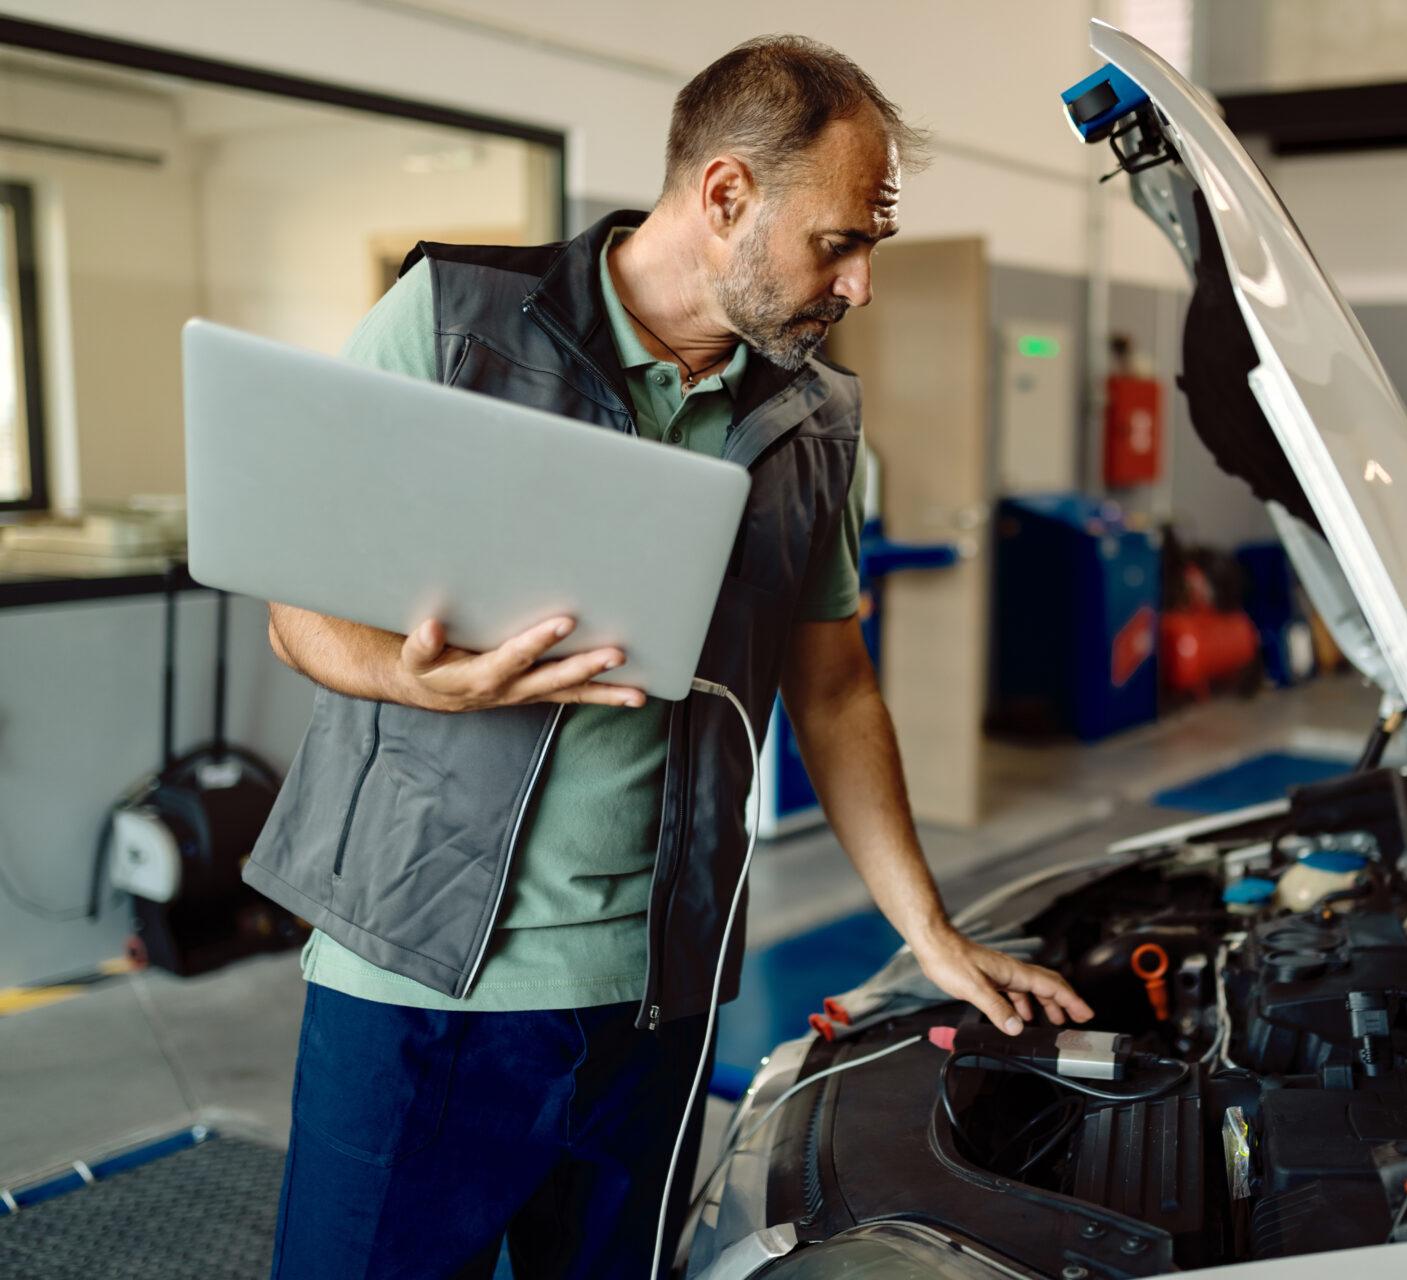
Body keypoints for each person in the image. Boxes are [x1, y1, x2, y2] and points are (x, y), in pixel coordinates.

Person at [247, 34, 1093, 1279]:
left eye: (873, 247)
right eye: (839, 242)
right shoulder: (455, 320)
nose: (859, 286)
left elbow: (835, 683)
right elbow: (299, 608)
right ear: (727, 195)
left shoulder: (813, 419)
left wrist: (929, 930)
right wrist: (408, 675)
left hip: (658, 997)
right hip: (421, 984)